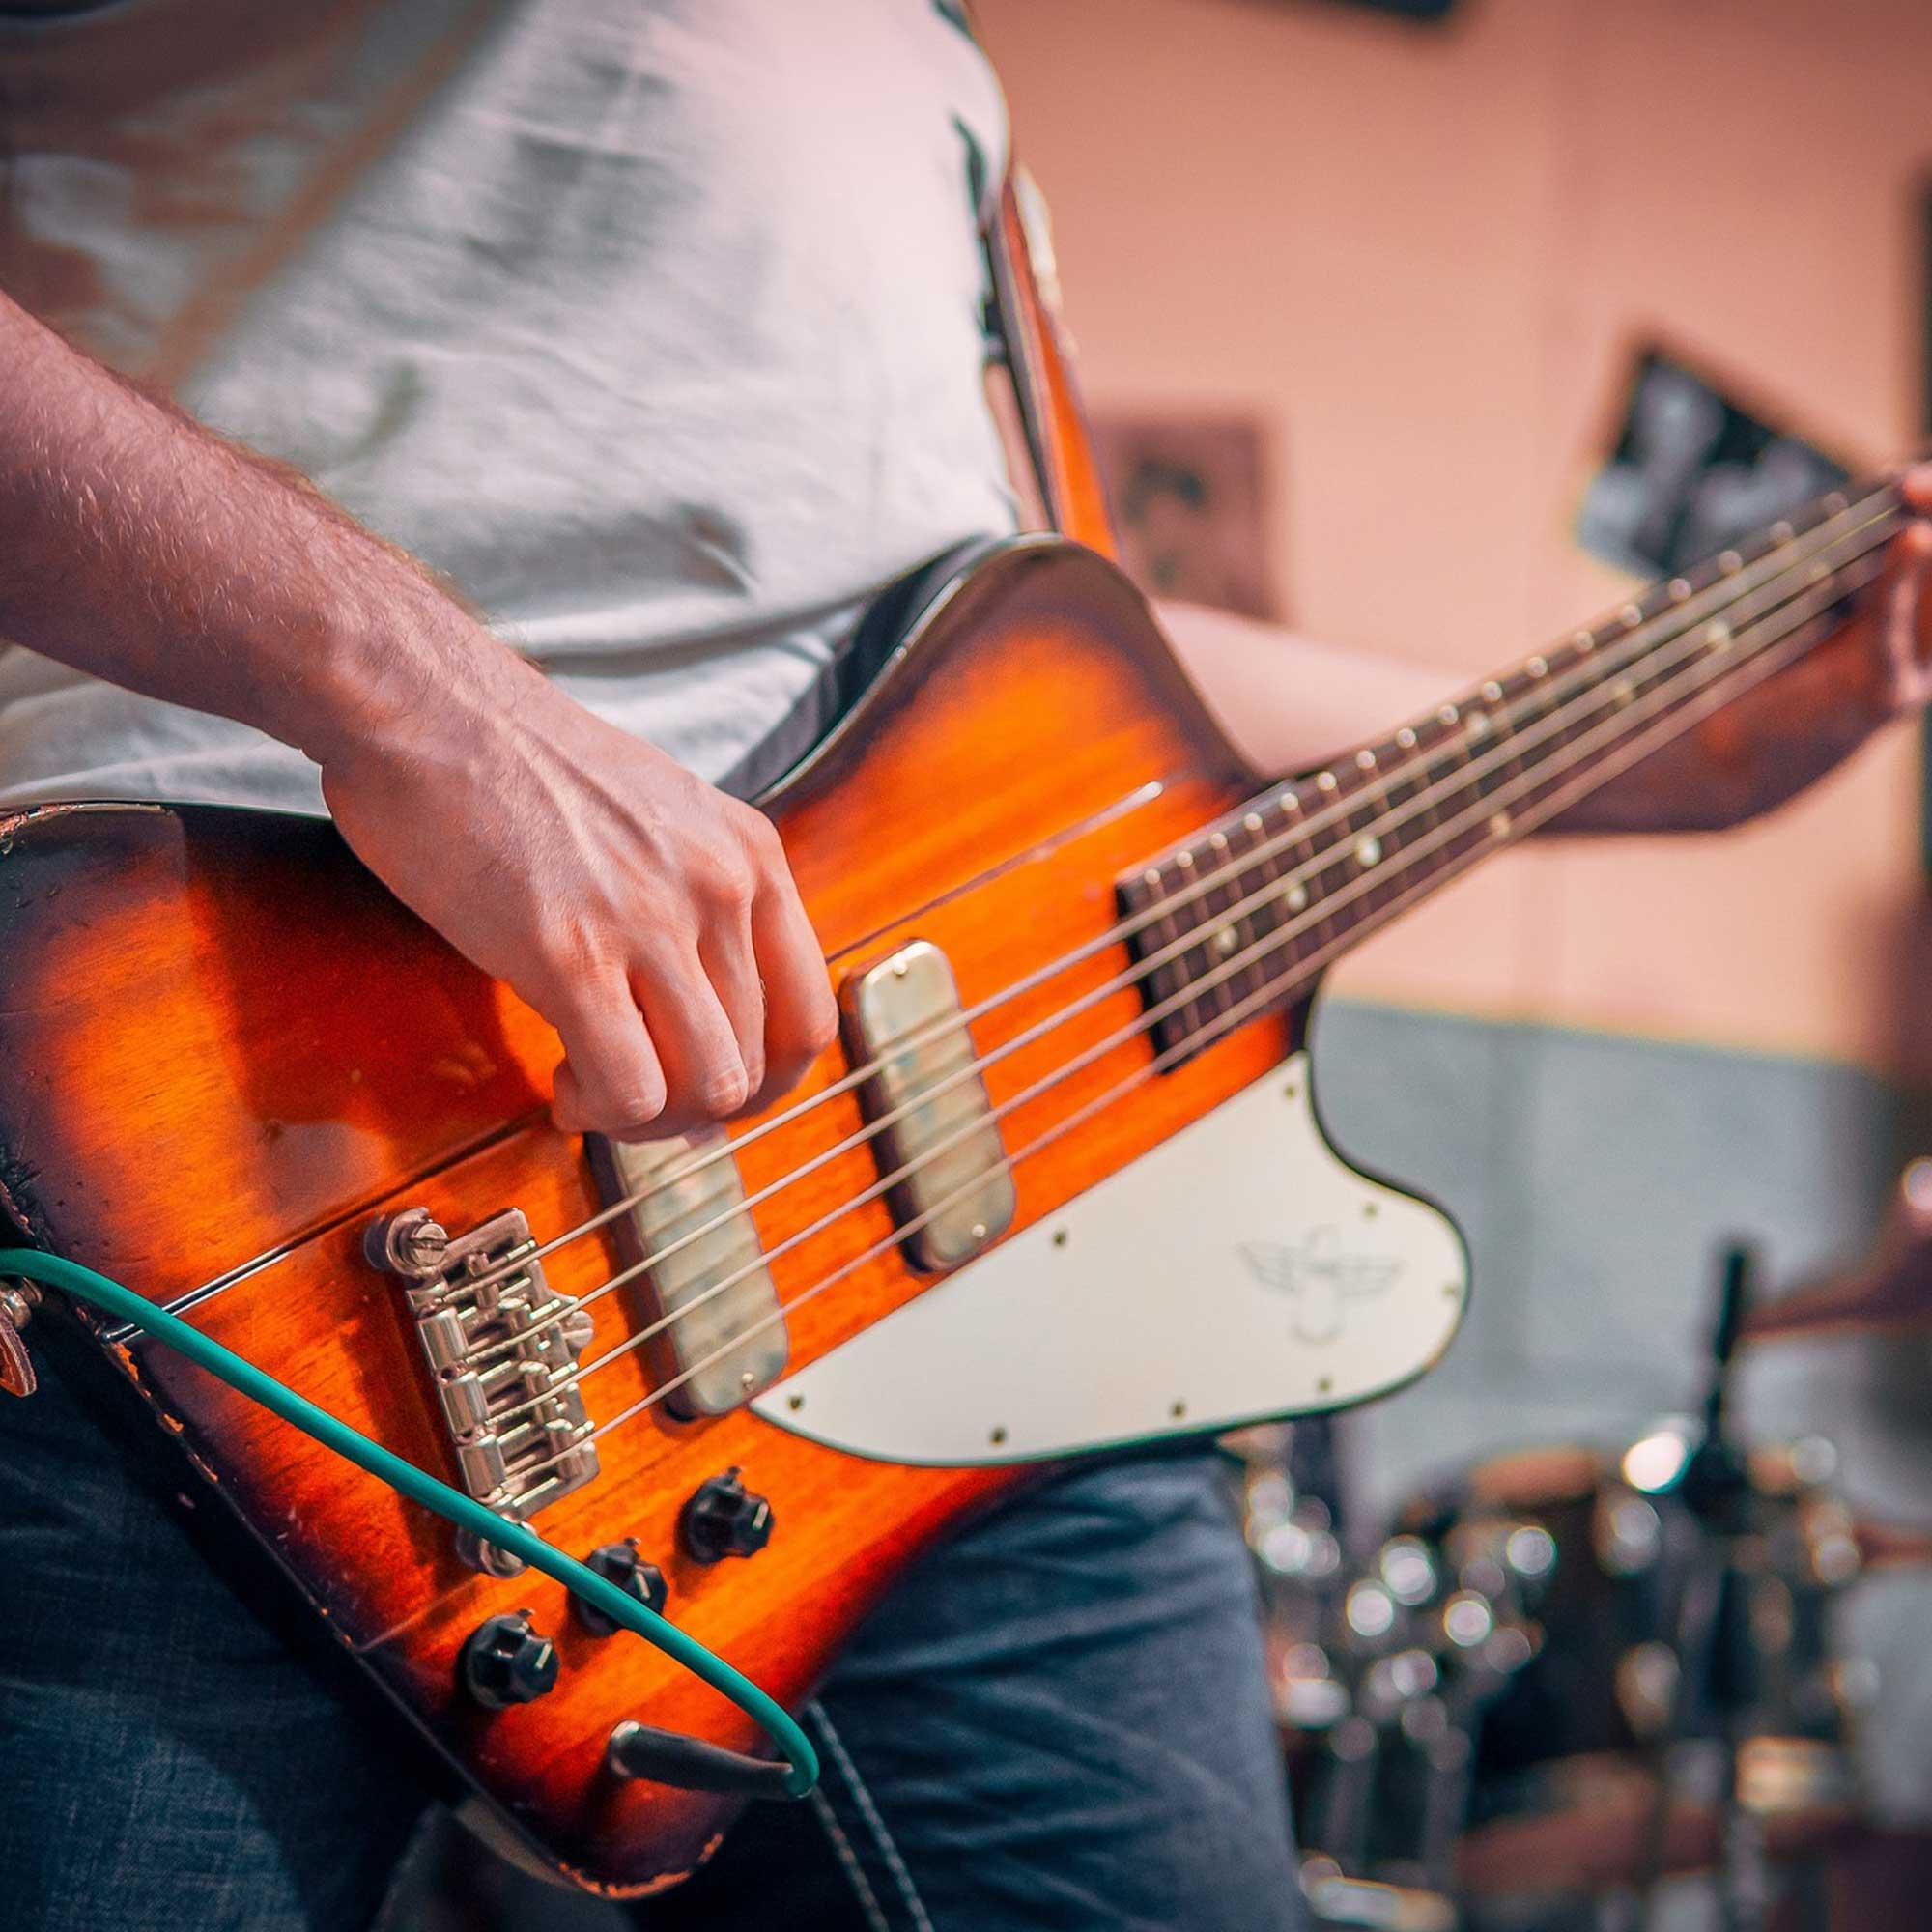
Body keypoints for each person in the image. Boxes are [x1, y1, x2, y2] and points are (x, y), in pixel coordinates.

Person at [2, 6, 1929, 1929]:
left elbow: (1063, 672)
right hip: (211, 1140)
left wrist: (1667, 754)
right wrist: (418, 697)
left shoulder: (938, 70)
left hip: (982, 1296)